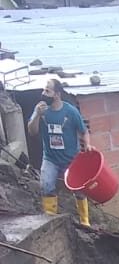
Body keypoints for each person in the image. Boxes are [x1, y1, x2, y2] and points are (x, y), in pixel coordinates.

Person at [26, 78, 92, 226]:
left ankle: (85, 221)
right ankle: (51, 219)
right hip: (50, 159)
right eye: (44, 90)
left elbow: (84, 131)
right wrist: (36, 115)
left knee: (79, 188)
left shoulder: (70, 111)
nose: (43, 93)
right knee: (46, 185)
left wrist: (87, 144)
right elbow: (32, 132)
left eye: (47, 91)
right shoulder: (41, 110)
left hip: (71, 159)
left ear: (57, 94)